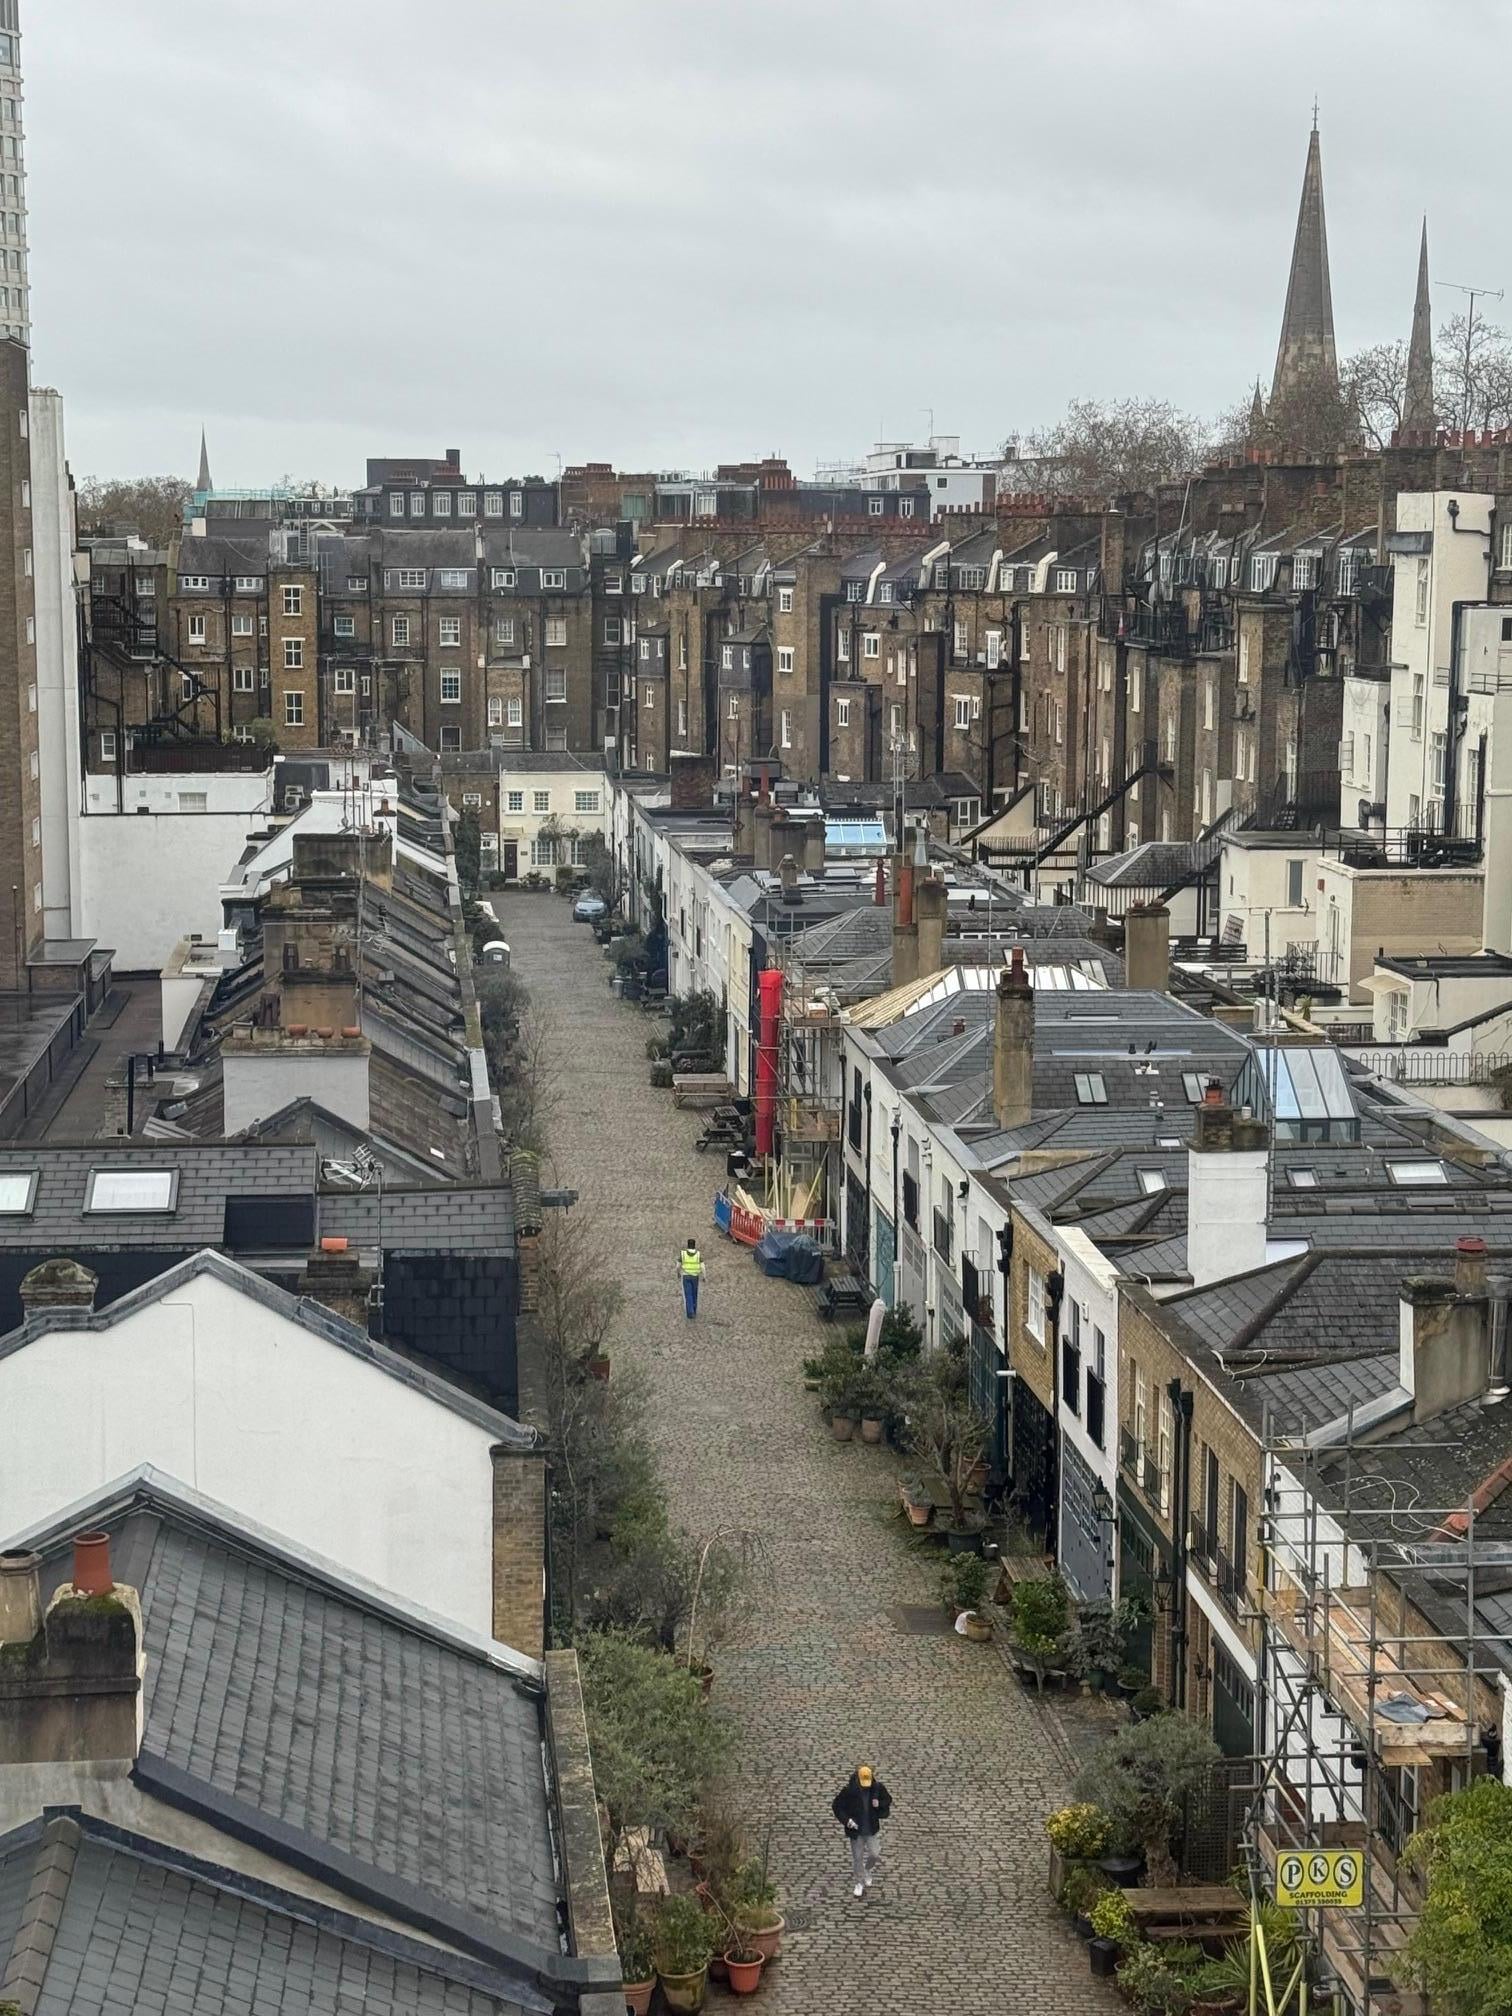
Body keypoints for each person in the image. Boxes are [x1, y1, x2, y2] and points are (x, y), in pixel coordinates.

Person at [832, 1763, 891, 1896]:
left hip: (871, 1829)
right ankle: (859, 1882)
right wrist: (847, 1821)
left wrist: (879, 1804)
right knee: (857, 1857)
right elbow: (837, 1806)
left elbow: (887, 1800)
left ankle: (867, 1870)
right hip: (856, 1831)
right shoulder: (848, 1791)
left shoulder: (877, 1788)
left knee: (874, 1855)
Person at [678, 1238, 704, 1319]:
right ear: (694, 1246)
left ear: (688, 1245)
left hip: (686, 1276)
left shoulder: (683, 1254)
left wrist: (678, 1273)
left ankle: (690, 1312)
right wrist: (704, 1276)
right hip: (695, 1276)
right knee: (694, 1294)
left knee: (688, 1294)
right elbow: (703, 1267)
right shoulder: (698, 1254)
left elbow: (678, 1265)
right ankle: (694, 1310)